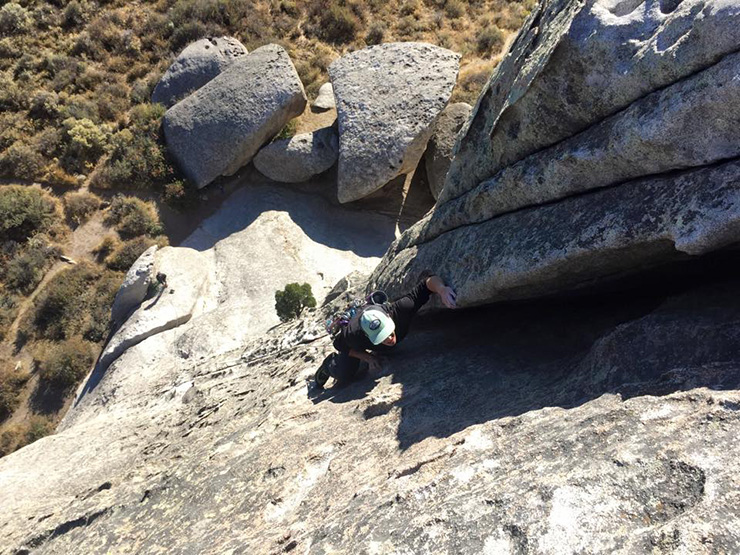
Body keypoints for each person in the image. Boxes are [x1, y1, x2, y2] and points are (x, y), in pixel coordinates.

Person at [315, 271, 457, 387]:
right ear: (366, 335)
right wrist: (367, 357)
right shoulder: (353, 333)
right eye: (381, 337)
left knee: (387, 348)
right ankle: (328, 366)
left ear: (389, 318)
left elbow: (427, 283)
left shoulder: (400, 310)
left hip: (374, 317)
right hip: (354, 336)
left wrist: (442, 289)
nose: (389, 339)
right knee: (344, 375)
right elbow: (339, 345)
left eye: (388, 332)